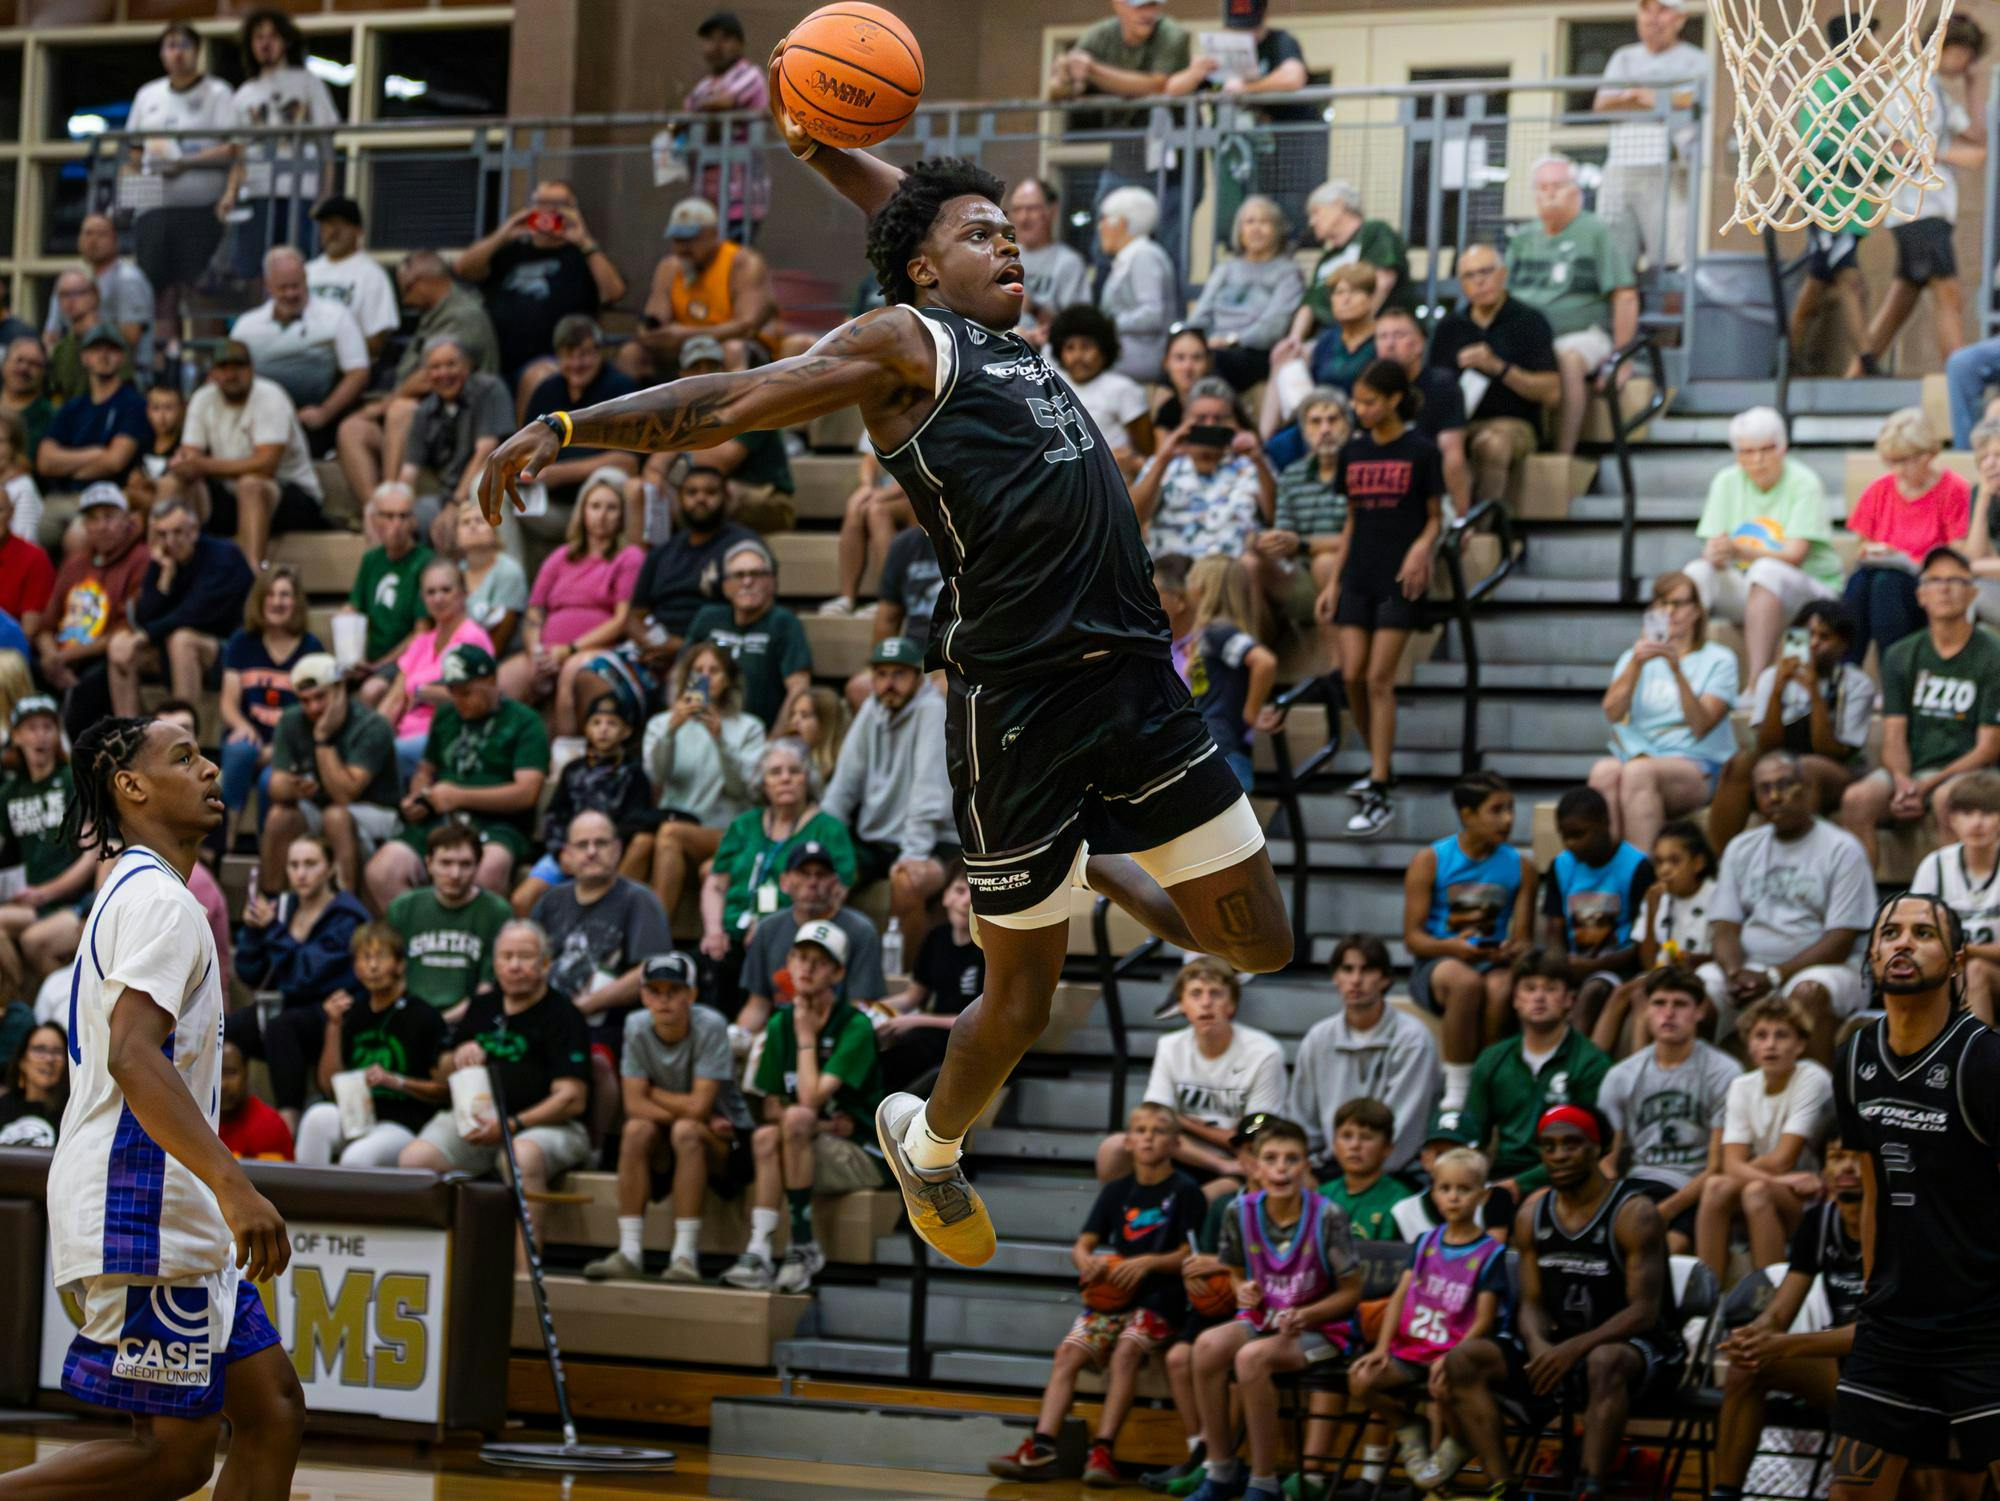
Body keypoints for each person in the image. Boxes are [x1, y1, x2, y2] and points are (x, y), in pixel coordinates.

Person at [480, 145, 1290, 1271]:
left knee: (1257, 942)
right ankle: (930, 1139)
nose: (1006, 243)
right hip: (1019, 701)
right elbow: (731, 398)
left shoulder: (992, 323)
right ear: (919, 273)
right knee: (1014, 1003)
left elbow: (916, 208)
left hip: (1139, 678)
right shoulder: (899, 342)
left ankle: (1092, 860)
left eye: (1010, 233)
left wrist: (823, 145)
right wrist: (571, 428)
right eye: (981, 237)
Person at [1, 713, 302, 1501]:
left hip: (169, 1206)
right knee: (174, 1455)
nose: (210, 769)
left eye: (206, 754)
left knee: (272, 1409)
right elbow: (134, 1054)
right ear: (131, 786)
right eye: (185, 756)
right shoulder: (163, 905)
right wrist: (235, 1185)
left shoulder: (132, 889)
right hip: (144, 1202)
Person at [1829, 894, 2000, 1501]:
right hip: (1895, 1326)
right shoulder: (1853, 1057)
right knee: (1851, 1493)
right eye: (1891, 933)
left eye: (1923, 933)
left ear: (1956, 963)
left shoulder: (1984, 1060)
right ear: (1873, 953)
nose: (1903, 943)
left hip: (1985, 1324)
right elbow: (1873, 1185)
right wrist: (1877, 1289)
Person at [1434, 1105, 1679, 1501]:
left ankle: (1589, 1490)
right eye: (1549, 1146)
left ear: (1595, 1147)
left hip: (1638, 1350)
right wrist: (1539, 1347)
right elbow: (1530, 1302)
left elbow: (1643, 1312)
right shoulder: (1531, 1214)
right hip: (1562, 1346)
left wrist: (1571, 1350)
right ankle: (1503, 1487)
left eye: (1571, 1144)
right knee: (1463, 1359)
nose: (1559, 1154)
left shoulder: (1635, 1213)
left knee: (1605, 1361)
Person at [990, 1101, 1202, 1486]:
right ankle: (1041, 1446)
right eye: (1140, 1130)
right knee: (1068, 1352)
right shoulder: (1117, 1191)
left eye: (1158, 1131)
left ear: (1175, 1143)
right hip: (1115, 1296)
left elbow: (1191, 1254)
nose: (1148, 1137)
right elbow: (1082, 1244)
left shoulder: (1187, 1191)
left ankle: (1103, 1449)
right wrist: (1086, 1261)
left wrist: (1150, 1262)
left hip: (1162, 1298)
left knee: (1125, 1350)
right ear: (1129, 1141)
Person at [1181, 1115, 1364, 1501]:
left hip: (1322, 1328)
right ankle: (1221, 1469)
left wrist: (1309, 1314)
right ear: (1256, 1166)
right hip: (1264, 1318)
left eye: (1292, 1159)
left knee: (1251, 1358)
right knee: (1206, 1347)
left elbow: (1352, 1292)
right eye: (1272, 1159)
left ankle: (1263, 1482)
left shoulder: (1329, 1216)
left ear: (1306, 1166)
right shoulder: (1239, 1210)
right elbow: (1233, 1273)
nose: (1281, 1168)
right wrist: (1242, 1289)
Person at [400, 919, 592, 1266]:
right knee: (415, 1160)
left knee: (520, 1156)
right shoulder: (483, 1007)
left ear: (546, 964)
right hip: (476, 1118)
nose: (514, 965)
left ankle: (522, 1275)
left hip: (542, 1125)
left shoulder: (564, 1015)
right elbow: (441, 1075)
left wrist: (513, 1124)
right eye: (506, 956)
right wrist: (456, 1057)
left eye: (525, 956)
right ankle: (429, 1266)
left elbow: (572, 1097)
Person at [725, 920, 885, 1294]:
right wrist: (824, 1127)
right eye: (799, 957)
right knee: (767, 1135)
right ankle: (760, 1249)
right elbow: (770, 1109)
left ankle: (801, 1244)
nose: (806, 968)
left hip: (862, 1152)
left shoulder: (855, 1026)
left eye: (818, 961)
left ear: (838, 972)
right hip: (813, 1140)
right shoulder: (781, 1022)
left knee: (796, 1118)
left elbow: (809, 1101)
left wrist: (807, 1038)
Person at [582, 951, 754, 1284]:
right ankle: (629, 1252)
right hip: (672, 1134)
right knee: (635, 1129)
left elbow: (699, 1108)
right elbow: (633, 1105)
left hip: (728, 1141)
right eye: (655, 991)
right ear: (643, 995)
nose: (664, 1000)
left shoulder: (711, 1025)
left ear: (691, 994)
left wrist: (651, 1092)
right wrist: (670, 1104)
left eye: (673, 991)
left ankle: (685, 1256)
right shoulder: (636, 1025)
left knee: (688, 1131)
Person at [1709, 1137, 1866, 1501]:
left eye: (1857, 1158)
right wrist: (1753, 1336)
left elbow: (1879, 1333)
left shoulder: (1898, 1227)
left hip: (1887, 1368)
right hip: (1841, 1364)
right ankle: (1725, 1493)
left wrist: (1782, 1344)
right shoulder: (1819, 1222)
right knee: (1747, 1366)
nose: (1846, 1168)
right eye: (1836, 1157)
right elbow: (1781, 1310)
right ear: (1823, 1169)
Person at [1347, 1146, 1509, 1494]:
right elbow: (1399, 1298)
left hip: (1453, 1355)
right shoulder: (1423, 1243)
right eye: (1445, 1189)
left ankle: (1451, 1455)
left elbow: (1484, 1318)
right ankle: (1408, 1426)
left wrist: (1451, 1358)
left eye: (1464, 1190)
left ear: (1481, 1196)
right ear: (1433, 1193)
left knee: (1442, 1389)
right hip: (1410, 1350)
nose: (1453, 1198)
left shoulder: (1489, 1253)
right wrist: (1381, 1347)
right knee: (1360, 1379)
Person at [1324, 359, 1442, 837]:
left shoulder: (1421, 450)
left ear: (1395, 399)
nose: (1360, 409)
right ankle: (1380, 764)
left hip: (1399, 576)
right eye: (1358, 400)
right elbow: (1351, 520)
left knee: (1378, 678)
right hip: (1359, 571)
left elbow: (1436, 515)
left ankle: (1377, 778)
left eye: (1369, 401)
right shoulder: (1353, 452)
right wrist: (1333, 581)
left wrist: (1421, 549)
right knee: (1350, 675)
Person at [1709, 750, 1875, 1063]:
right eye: (1764, 789)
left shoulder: (1843, 849)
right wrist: (1733, 972)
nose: (1775, 796)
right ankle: (1706, 1097)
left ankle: (1817, 1101)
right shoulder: (1741, 848)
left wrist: (1773, 977)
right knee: (1698, 991)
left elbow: (1840, 942)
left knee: (1807, 992)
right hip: (1751, 967)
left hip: (1829, 969)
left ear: (1807, 788)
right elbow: (1724, 927)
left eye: (1785, 785)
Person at [1843, 548, 2000, 865]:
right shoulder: (1900, 654)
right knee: (1856, 799)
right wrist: (1903, 781)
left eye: (1955, 580)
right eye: (1935, 580)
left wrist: (1926, 785)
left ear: (1972, 594)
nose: (1944, 588)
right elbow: (1893, 735)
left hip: (1968, 770)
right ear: (1920, 595)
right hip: (1912, 771)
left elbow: (1988, 748)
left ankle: (1951, 908)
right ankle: (1866, 910)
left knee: (1950, 800)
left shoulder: (1992, 654)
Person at [1849, 15, 1986, 377]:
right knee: (1948, 292)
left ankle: (1854, 374)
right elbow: (1888, 143)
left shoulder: (1937, 89)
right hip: (1915, 207)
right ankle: (1962, 379)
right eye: (1965, 56)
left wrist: (1973, 86)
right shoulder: (1911, 84)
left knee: (1901, 300)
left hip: (1933, 207)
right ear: (1951, 48)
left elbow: (1976, 136)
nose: (1965, 65)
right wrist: (1943, 155)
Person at [364, 642, 550, 906]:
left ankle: (477, 943)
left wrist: (459, 797)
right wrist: (419, 796)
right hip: (443, 819)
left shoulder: (525, 721)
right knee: (382, 870)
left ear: (490, 680)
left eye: (466, 691)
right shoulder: (447, 713)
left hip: (497, 824)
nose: (458, 698)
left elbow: (527, 792)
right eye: (452, 690)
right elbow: (425, 770)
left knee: (488, 869)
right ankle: (421, 936)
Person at [1681, 406, 1842, 686]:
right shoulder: (1726, 481)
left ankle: (1756, 682)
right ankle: (1682, 671)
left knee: (1767, 569)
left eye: (1766, 450)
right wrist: (1714, 554)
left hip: (1810, 592)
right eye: (1746, 452)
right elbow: (1713, 545)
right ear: (1736, 454)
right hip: (1753, 589)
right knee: (1697, 572)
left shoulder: (1804, 482)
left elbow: (1795, 554)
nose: (1757, 460)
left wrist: (1740, 551)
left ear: (1783, 448)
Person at [1405, 771, 1536, 1110]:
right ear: (1467, 814)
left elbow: (1524, 939)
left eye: (1510, 808)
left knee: (1502, 988)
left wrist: (1511, 950)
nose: (1507, 819)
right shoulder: (1431, 860)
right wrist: (1452, 947)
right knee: (1464, 982)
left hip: (1491, 962)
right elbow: (1414, 939)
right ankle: (1459, 1089)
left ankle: (1489, 1078)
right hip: (1438, 964)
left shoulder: (1522, 867)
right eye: (1496, 810)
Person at [1101, 957, 1285, 1195]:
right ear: (1182, 1005)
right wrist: (1218, 1162)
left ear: (1231, 1006)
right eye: (1196, 994)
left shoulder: (1264, 1052)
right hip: (1181, 1149)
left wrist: (1183, 1121)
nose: (1206, 1003)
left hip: (1239, 1158)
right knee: (1113, 1148)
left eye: (1216, 994)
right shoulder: (1170, 1046)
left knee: (1202, 1200)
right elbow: (1154, 1122)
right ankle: (1117, 1222)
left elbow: (1253, 1138)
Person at [1454, 950, 1612, 1226]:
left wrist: (1521, 1184)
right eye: (1529, 989)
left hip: (1564, 1178)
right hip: (1499, 1178)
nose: (1539, 997)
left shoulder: (1591, 1063)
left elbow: (1590, 1148)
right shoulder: (1492, 1059)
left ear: (1569, 1000)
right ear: (1515, 999)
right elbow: (1473, 1136)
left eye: (1551, 989)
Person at [698, 738, 856, 1013]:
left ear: (807, 778)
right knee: (703, 964)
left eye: (794, 771)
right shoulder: (743, 825)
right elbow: (715, 883)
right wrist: (713, 931)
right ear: (762, 783)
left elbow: (836, 891)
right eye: (775, 772)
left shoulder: (829, 829)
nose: (785, 779)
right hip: (730, 936)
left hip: (791, 936)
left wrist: (775, 926)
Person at [333, 252, 501, 507]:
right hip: (427, 423)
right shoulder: (432, 315)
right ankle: (377, 511)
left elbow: (433, 377)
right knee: (352, 429)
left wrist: (383, 405)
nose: (404, 298)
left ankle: (394, 501)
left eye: (406, 289)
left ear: (425, 281)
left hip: (458, 424)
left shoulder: (463, 315)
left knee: (401, 410)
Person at [1588, 571, 1739, 854]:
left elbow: (1701, 724)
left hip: (1696, 762)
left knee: (1637, 773)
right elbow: (1612, 712)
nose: (1670, 611)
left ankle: (1645, 883)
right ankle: (1608, 878)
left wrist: (1675, 670)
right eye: (1662, 603)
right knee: (1603, 772)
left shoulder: (1719, 659)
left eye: (1678, 603)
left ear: (1696, 611)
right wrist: (1636, 663)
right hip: (1641, 754)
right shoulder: (1632, 658)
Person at [229, 833, 370, 1125]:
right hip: (289, 1005)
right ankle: (229, 1121)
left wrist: (272, 930)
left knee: (284, 1027)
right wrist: (254, 931)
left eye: (311, 864)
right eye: (294, 865)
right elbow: (250, 973)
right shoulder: (284, 907)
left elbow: (306, 977)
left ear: (330, 868)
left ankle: (287, 1121)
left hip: (334, 1013)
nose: (301, 873)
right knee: (225, 1028)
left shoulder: (347, 916)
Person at [1596, 967, 1738, 1254]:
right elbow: (1608, 1158)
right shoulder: (1621, 1075)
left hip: (1693, 1188)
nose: (1668, 1013)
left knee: (1670, 1246)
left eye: (1680, 1004)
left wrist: (1663, 1212)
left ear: (1699, 1011)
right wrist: (1610, 1199)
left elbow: (1717, 1166)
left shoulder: (1723, 1072)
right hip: (1637, 1184)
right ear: (1646, 1011)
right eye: (1659, 1003)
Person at [1708, 601, 1872, 848]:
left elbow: (1833, 750)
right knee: (1739, 764)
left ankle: (1799, 859)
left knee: (1802, 768)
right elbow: (1766, 745)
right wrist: (1777, 692)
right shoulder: (1772, 678)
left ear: (1843, 644)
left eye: (1824, 637)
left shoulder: (1856, 684)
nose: (1814, 644)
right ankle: (1719, 866)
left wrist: (1814, 691)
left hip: (1838, 772)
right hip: (1781, 759)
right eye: (1807, 636)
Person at [1504, 155, 1639, 456]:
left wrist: (1622, 359)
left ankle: (1562, 455)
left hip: (1583, 334)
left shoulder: (1596, 231)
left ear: (1576, 192)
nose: (1549, 193)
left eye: (1557, 186)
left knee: (1568, 357)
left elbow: (1625, 295)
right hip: (1529, 337)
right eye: (1542, 187)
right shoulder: (1522, 239)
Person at [821, 636, 953, 944]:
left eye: (899, 674)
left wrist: (913, 855)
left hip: (934, 842)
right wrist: (824, 838)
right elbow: (843, 785)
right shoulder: (871, 708)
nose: (889, 684)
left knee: (906, 880)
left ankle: (902, 977)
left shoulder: (932, 710)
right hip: (875, 842)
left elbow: (928, 796)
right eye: (881, 675)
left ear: (918, 677)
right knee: (816, 874)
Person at [1697, 992, 1833, 1282]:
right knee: (1715, 1186)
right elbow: (1730, 1165)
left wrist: (1754, 1171)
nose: (1770, 1045)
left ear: (1800, 1044)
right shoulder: (1742, 1085)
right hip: (1782, 1184)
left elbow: (1784, 1159)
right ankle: (1706, 1301)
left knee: (1754, 1190)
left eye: (1781, 1035)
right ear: (1749, 1044)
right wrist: (1774, 1179)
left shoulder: (1812, 1077)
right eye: (1761, 1035)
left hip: (1811, 1195)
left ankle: (1769, 1297)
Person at [157, 339, 325, 568]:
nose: (231, 374)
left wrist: (202, 465)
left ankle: (250, 580)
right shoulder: (202, 398)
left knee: (251, 485)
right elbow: (190, 458)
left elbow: (266, 464)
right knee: (171, 483)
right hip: (229, 496)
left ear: (251, 369)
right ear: (213, 372)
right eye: (223, 368)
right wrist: (183, 466)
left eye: (238, 367)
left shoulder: (270, 396)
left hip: (290, 493)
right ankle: (160, 571)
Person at [499, 469, 644, 734]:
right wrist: (536, 650)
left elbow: (621, 619)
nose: (602, 515)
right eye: (595, 506)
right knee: (503, 683)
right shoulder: (561, 556)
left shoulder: (629, 557)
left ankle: (566, 756)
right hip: (547, 651)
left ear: (622, 516)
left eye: (611, 508)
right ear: (582, 512)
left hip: (596, 650)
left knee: (571, 673)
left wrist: (570, 650)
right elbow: (534, 611)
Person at [453, 179, 625, 400]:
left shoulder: (582, 255)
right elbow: (463, 268)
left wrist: (584, 241)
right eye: (542, 203)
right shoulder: (512, 250)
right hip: (495, 359)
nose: (549, 210)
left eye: (559, 204)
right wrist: (504, 233)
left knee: (537, 376)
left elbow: (614, 292)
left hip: (556, 361)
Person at [1050, 0, 1196, 261]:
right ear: (1118, 5)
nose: (1147, 13)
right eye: (1139, 6)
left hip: (1173, 163)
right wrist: (1065, 72)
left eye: (1152, 6)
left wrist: (1092, 70)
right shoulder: (1100, 35)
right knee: (1105, 245)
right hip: (1124, 159)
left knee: (1168, 248)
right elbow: (1057, 91)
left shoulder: (1172, 34)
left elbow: (1157, 85)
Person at [123, 23, 238, 353]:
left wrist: (185, 161)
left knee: (200, 291)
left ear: (197, 50)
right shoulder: (148, 95)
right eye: (169, 45)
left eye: (184, 45)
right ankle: (165, 362)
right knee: (159, 292)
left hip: (201, 209)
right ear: (161, 54)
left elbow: (233, 147)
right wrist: (133, 198)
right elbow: (133, 152)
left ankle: (206, 361)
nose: (177, 52)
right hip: (155, 210)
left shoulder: (218, 93)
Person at [293, 923, 447, 1168]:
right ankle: (304, 1205)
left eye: (381, 957)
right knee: (315, 1119)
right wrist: (333, 1025)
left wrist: (397, 1081)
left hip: (403, 1122)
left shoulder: (424, 1016)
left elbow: (443, 1091)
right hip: (357, 1114)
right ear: (355, 967)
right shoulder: (354, 1013)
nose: (373, 966)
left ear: (400, 964)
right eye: (365, 958)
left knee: (356, 1158)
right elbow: (329, 1087)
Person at [1288, 935, 1441, 1179]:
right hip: (1329, 1168)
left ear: (1386, 979)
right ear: (1335, 977)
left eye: (1367, 970)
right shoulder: (1318, 1038)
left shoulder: (1413, 1040)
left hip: (1396, 1173)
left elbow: (1403, 1132)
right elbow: (1303, 1123)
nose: (1356, 980)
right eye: (1347, 969)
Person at [1426, 245, 1561, 504]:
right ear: (1461, 283)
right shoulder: (1449, 328)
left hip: (1512, 423)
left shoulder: (1529, 321)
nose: (1479, 281)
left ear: (1503, 274)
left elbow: (1552, 393)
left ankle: (1480, 532)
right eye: (1470, 276)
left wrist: (1499, 368)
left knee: (1492, 444)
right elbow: (1432, 387)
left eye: (1486, 272)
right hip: (1458, 421)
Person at [641, 640, 768, 915]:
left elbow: (744, 790)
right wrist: (670, 733)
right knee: (645, 842)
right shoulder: (661, 723)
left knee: (669, 834)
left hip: (728, 831)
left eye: (715, 670)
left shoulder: (749, 727)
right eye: (698, 670)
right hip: (678, 822)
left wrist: (721, 741)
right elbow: (656, 775)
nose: (706, 678)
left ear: (728, 680)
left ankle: (654, 939)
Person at [262, 652, 403, 899]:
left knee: (335, 816)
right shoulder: (292, 719)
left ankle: (344, 910)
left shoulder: (372, 726)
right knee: (280, 817)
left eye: (320, 697)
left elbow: (345, 794)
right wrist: (297, 789)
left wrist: (323, 739)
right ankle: (270, 908)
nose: (313, 708)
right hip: (323, 808)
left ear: (340, 689)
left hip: (378, 812)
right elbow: (276, 785)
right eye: (305, 701)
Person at [529, 809, 671, 1041]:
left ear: (617, 848)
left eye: (601, 843)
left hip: (607, 1028)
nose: (592, 852)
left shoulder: (639, 900)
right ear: (567, 854)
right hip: (546, 1020)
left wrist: (581, 1008)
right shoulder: (550, 900)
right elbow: (530, 958)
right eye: (582, 845)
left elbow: (650, 970)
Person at [221, 10, 340, 282]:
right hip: (257, 191)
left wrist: (325, 195)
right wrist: (230, 193)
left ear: (286, 41)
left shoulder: (308, 82)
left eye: (273, 36)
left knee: (299, 267)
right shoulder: (244, 94)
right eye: (258, 37)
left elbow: (326, 145)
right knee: (253, 271)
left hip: (301, 192)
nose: (265, 43)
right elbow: (238, 153)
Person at [1845, 411, 1971, 667]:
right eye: (1891, 462)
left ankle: (1895, 676)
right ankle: (1844, 672)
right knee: (1860, 582)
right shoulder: (1879, 488)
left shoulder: (1953, 489)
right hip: (1884, 576)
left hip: (1928, 582)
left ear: (1928, 456)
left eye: (1903, 461)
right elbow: (1862, 543)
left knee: (1886, 583)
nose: (1896, 470)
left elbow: (1956, 555)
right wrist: (1875, 552)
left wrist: (1909, 561)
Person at [732, 835, 887, 1038]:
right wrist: (738, 1039)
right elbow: (758, 1004)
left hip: (836, 1033)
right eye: (804, 874)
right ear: (784, 882)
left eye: (821, 874)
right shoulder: (767, 928)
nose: (813, 882)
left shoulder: (860, 930)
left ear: (835, 882)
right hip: (781, 1034)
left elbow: (860, 1006)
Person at [513, 691, 653, 915]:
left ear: (626, 731)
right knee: (523, 899)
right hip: (567, 851)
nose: (603, 729)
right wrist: (561, 852)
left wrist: (601, 849)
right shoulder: (573, 770)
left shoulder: (634, 774)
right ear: (586, 729)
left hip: (608, 856)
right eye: (596, 723)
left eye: (612, 723)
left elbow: (636, 821)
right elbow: (554, 817)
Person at [1592, 820, 1721, 1056]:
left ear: (1699, 863)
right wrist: (1652, 909)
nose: (1664, 870)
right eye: (1659, 862)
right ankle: (1591, 1067)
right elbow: (1649, 962)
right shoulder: (1657, 897)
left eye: (1674, 861)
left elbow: (1723, 951)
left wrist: (1697, 961)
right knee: (1622, 992)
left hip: (1699, 976)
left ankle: (1642, 1066)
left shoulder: (1716, 895)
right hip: (1663, 972)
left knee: (1646, 996)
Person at [1592, 0, 1705, 269]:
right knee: (1614, 259)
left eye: (1663, 10)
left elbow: (1693, 101)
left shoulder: (1697, 60)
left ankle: (1675, 311)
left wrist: (1642, 95)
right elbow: (1603, 105)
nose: (1653, 19)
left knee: (1671, 259)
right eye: (1647, 10)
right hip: (1621, 166)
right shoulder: (1624, 57)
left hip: (1670, 169)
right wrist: (1659, 100)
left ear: (1680, 18)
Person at [623, 199, 781, 382]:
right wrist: (650, 332)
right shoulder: (670, 266)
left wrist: (686, 334)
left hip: (736, 345)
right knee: (631, 354)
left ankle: (731, 410)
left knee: (732, 349)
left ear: (713, 234)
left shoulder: (743, 263)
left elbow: (747, 327)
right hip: (684, 347)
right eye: (677, 240)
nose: (682, 248)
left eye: (690, 240)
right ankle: (633, 410)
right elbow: (656, 318)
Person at [1541, 786, 1656, 1036]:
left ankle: (1577, 1068)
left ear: (1605, 823)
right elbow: (1555, 929)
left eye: (1579, 834)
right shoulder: (1560, 866)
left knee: (1593, 990)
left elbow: (1641, 943)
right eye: (1565, 836)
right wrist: (1560, 964)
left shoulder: (1637, 867)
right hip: (1575, 963)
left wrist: (1593, 966)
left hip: (1619, 964)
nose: (1571, 844)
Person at [214, 566, 317, 843]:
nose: (277, 602)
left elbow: (315, 714)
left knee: (269, 781)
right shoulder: (241, 643)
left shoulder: (310, 647)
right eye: (270, 594)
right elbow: (228, 703)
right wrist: (243, 726)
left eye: (285, 595)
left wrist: (277, 749)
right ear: (259, 600)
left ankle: (266, 849)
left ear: (296, 602)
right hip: (250, 740)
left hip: (289, 751)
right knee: (238, 750)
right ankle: (226, 837)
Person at [0, 697, 94, 1000]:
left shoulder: (71, 781)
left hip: (69, 901)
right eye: (31, 728)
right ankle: (18, 1006)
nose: (40, 735)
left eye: (48, 727)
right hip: (28, 904)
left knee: (29, 940)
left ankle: (24, 1009)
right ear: (16, 736)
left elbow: (93, 855)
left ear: (57, 734)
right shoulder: (9, 793)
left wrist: (45, 892)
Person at [37, 484, 147, 741]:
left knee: (84, 691)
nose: (101, 526)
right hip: (61, 656)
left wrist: (66, 657)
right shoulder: (75, 562)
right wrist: (50, 654)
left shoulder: (140, 560)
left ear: (127, 520)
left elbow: (125, 628)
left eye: (109, 516)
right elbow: (46, 624)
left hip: (97, 656)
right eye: (93, 519)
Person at [228, 248, 370, 444]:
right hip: (258, 421)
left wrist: (325, 412)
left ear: (305, 278)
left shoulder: (336, 316)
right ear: (268, 286)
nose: (291, 293)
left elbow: (358, 371)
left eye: (296, 285)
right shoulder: (246, 325)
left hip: (316, 421)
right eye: (283, 287)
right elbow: (227, 372)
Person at [1248, 386, 1348, 661]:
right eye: (1316, 422)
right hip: (1300, 574)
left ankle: (1335, 671)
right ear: (1304, 431)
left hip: (1350, 570)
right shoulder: (1292, 475)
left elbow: (1362, 537)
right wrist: (1267, 543)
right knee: (1247, 564)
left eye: (1333, 420)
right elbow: (1285, 536)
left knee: (1326, 561)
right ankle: (1248, 669)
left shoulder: (1358, 470)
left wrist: (1304, 544)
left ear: (1348, 426)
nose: (1325, 429)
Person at [377, 556, 494, 781]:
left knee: (388, 757)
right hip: (406, 736)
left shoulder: (471, 637)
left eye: (446, 590)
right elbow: (394, 699)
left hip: (451, 737)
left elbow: (483, 699)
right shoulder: (422, 642)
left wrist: (426, 693)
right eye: (430, 592)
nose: (438, 598)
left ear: (463, 592)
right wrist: (372, 734)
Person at [1135, 377, 1269, 565]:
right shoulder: (1162, 464)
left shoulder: (1250, 463)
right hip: (1173, 570)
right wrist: (1163, 459)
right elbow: (1134, 518)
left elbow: (1274, 517)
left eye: (1219, 419)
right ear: (1185, 422)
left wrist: (1257, 459)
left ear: (1233, 423)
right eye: (1200, 419)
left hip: (1235, 570)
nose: (1209, 425)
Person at [387, 824, 512, 1022]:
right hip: (407, 1017)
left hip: (469, 1019)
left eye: (465, 864)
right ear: (429, 864)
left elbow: (487, 986)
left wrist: (443, 1021)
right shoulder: (403, 908)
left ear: (477, 866)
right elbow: (391, 975)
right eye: (445, 863)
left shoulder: (497, 911)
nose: (455, 874)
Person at [876, 864, 983, 1093]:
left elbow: (981, 1021)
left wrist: (915, 1021)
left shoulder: (989, 949)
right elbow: (912, 997)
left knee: (912, 1045)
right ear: (945, 897)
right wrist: (868, 1008)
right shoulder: (936, 938)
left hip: (967, 1039)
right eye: (959, 891)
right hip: (931, 1031)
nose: (966, 902)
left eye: (975, 894)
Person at [686, 537, 812, 730]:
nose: (747, 581)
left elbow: (798, 687)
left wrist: (773, 740)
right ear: (726, 585)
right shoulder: (708, 618)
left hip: (761, 732)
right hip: (706, 729)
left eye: (757, 574)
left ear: (772, 582)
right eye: (738, 575)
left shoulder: (783, 622)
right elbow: (685, 674)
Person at [1185, 196, 1304, 392]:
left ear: (1277, 230)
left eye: (1264, 222)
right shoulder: (1226, 269)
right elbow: (1201, 313)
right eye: (1249, 222)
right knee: (1176, 363)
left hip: (1254, 351)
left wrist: (1232, 340)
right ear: (1239, 232)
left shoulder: (1288, 273)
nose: (1256, 228)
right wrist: (1193, 341)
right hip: (1214, 344)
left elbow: (1273, 326)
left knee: (1212, 364)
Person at [1283, 183, 1416, 358]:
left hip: (1372, 335)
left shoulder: (1375, 232)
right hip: (1328, 338)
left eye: (1316, 212)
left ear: (1339, 205)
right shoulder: (1326, 259)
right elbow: (1309, 305)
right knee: (1285, 359)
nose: (1311, 222)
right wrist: (1295, 339)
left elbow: (1383, 281)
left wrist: (1356, 333)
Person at [519, 318, 639, 511]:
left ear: (600, 352)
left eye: (584, 355)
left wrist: (562, 473)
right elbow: (526, 446)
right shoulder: (547, 389)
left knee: (610, 477)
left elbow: (628, 462)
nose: (576, 364)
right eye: (568, 355)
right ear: (557, 357)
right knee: (484, 486)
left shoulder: (621, 389)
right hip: (547, 504)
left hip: (598, 502)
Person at [1910, 768, 2000, 1023]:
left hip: (1986, 972)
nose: (1977, 822)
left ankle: (1979, 1058)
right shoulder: (1935, 866)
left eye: (1988, 812)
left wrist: (1965, 950)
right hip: (1950, 972)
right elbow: (1916, 933)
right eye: (1967, 813)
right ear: (1951, 820)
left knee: (1975, 969)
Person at [399, 337, 514, 533]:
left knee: (482, 487)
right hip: (447, 495)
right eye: (435, 367)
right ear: (426, 374)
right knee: (402, 517)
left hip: (492, 484)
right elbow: (409, 470)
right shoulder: (425, 410)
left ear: (467, 367)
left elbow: (486, 451)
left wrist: (456, 503)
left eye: (451, 365)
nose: (443, 373)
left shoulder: (489, 390)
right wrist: (394, 506)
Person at [1188, 556, 1280, 792]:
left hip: (1224, 752)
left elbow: (1265, 662)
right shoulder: (1210, 634)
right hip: (1216, 752)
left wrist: (1251, 714)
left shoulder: (1219, 632)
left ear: (1204, 588)